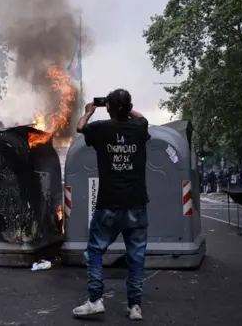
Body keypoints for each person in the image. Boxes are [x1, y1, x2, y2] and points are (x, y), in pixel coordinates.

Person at [72, 89, 150, 321]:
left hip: (109, 205)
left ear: (109, 108)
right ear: (128, 107)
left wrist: (89, 111)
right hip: (136, 204)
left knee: (95, 251)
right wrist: (124, 107)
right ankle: (135, 307)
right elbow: (142, 117)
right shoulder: (139, 128)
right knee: (136, 257)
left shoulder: (101, 128)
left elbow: (79, 127)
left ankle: (95, 301)